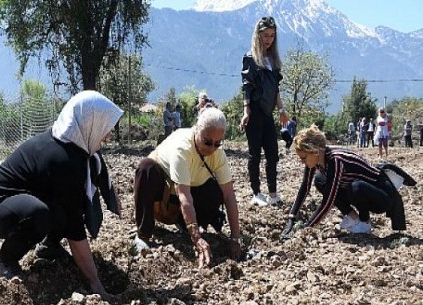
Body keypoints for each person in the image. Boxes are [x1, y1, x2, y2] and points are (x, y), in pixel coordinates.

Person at [0, 91, 122, 301]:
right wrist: (95, 283)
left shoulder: (74, 144)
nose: (107, 136)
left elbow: (91, 176)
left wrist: (111, 192)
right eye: (104, 128)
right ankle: (5, 260)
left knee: (64, 206)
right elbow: (74, 229)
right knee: (39, 214)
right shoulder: (63, 158)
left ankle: (48, 247)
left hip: (20, 200)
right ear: (90, 123)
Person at [132, 107, 243, 268]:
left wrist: (235, 238)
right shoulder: (182, 148)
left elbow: (229, 196)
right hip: (164, 198)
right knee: (146, 168)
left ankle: (184, 226)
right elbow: (184, 196)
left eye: (217, 143)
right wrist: (196, 238)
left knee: (216, 190)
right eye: (207, 142)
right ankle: (143, 235)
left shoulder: (218, 155)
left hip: (188, 195)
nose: (211, 148)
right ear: (197, 130)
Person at [281, 124, 413, 239]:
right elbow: (305, 188)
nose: (302, 162)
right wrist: (292, 218)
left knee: (355, 187)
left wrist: (307, 228)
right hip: (360, 191)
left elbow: (328, 200)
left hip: (382, 196)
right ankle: (352, 218)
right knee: (320, 180)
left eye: (304, 158)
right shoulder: (317, 161)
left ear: (314, 151)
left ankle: (364, 223)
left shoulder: (335, 160)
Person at [240, 16, 288, 207]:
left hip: (267, 114)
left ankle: (273, 193)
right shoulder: (251, 58)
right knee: (254, 155)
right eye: (265, 35)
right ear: (258, 35)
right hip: (255, 112)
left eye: (272, 36)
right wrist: (246, 111)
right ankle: (256, 192)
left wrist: (281, 109)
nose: (268, 39)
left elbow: (275, 89)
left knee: (272, 154)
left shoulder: (273, 60)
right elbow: (246, 87)